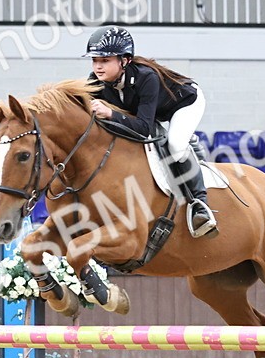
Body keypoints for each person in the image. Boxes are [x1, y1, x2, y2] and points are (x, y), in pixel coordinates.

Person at [84, 25, 217, 238]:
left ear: (124, 61)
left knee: (175, 144)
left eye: (105, 60)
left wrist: (109, 113)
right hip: (153, 112)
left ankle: (200, 204)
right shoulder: (95, 81)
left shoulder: (146, 77)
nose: (98, 66)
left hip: (184, 103)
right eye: (95, 60)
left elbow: (143, 129)